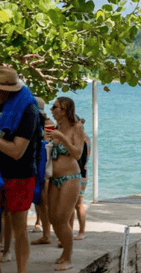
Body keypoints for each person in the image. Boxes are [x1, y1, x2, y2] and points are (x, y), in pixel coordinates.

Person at [0, 67, 41, 273]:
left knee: (20, 230)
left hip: (20, 176)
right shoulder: (2, 106)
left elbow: (17, 151)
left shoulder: (28, 111)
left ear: (6, 90)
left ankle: (22, 271)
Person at [47, 97, 84, 271]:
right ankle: (63, 254)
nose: (51, 109)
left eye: (54, 107)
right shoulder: (55, 128)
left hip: (70, 177)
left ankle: (68, 257)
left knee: (62, 219)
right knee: (53, 219)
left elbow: (77, 153)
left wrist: (61, 138)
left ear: (64, 109)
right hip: (54, 178)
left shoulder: (76, 127)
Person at [31, 97, 55, 246]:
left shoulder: (47, 123)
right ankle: (44, 233)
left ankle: (46, 234)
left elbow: (49, 143)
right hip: (36, 160)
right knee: (40, 202)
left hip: (41, 161)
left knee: (42, 202)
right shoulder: (41, 121)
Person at [70, 116, 90, 241]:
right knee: (78, 204)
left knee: (75, 205)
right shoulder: (86, 136)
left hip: (78, 172)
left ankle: (76, 231)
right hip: (84, 172)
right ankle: (80, 231)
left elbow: (79, 157)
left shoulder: (79, 137)